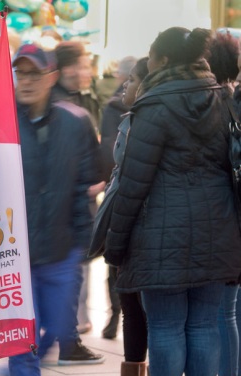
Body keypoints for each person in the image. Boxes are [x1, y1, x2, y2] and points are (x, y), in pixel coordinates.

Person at [104, 27, 241, 376]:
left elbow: (132, 184)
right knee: (204, 325)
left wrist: (115, 246)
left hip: (159, 237)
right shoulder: (225, 100)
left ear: (161, 61)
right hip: (219, 232)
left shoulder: (153, 106)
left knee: (165, 326)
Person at [7, 43, 102, 376]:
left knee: (59, 325)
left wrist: (81, 241)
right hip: (16, 256)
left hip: (62, 250)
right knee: (24, 346)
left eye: (35, 73)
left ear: (52, 77)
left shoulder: (75, 122)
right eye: (21, 73)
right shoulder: (2, 123)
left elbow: (84, 185)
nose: (27, 81)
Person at [103, 56, 151, 376]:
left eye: (132, 79)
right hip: (137, 229)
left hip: (141, 230)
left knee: (144, 312)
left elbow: (131, 184)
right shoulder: (127, 117)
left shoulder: (142, 123)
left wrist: (116, 242)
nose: (125, 85)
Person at [207, 30, 241, 376]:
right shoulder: (233, 99)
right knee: (230, 309)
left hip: (224, 217)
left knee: (223, 310)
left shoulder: (218, 104)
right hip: (233, 216)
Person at [98, 55, 137, 340]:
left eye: (132, 80)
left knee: (117, 266)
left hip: (123, 195)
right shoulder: (116, 108)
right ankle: (116, 312)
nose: (126, 84)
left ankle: (117, 312)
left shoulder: (125, 111)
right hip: (120, 194)